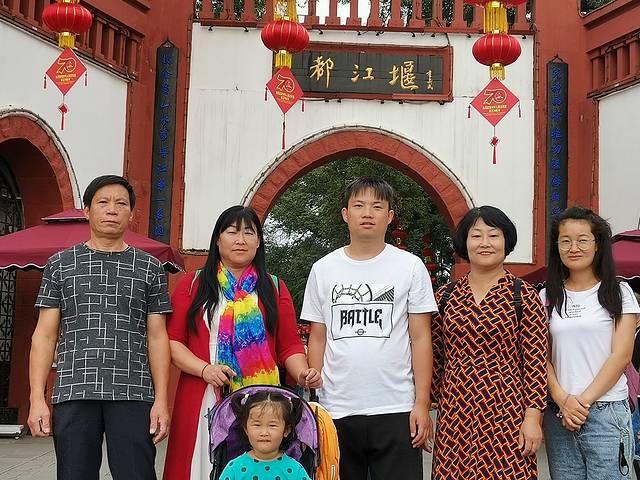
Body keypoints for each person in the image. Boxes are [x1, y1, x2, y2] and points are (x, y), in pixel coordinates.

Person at [27, 175, 172, 480]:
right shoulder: (60, 264)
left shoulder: (150, 267)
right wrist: (36, 398)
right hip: (74, 389)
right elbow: (45, 335)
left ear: (131, 213)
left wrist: (161, 399)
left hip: (133, 391)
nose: (112, 210)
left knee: (137, 475)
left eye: (121, 204)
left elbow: (157, 337)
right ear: (87, 210)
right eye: (103, 202)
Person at [163, 205, 321, 479]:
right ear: (217, 239)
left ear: (258, 242)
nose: (241, 239)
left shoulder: (273, 287)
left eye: (249, 233)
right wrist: (205, 369)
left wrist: (303, 373)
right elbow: (173, 343)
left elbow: (289, 346)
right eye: (232, 231)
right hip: (202, 393)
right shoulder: (193, 285)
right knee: (198, 466)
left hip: (260, 402)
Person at [302, 177, 436, 480]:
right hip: (337, 407)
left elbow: (420, 338)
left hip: (396, 406)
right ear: (345, 214)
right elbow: (318, 336)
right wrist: (316, 399)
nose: (367, 213)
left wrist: (421, 403)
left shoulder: (410, 266)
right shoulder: (323, 269)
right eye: (359, 205)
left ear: (389, 216)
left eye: (377, 206)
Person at [430, 206, 547, 480]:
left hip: (507, 411)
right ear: (465, 242)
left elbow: (536, 361)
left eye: (493, 235)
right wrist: (425, 405)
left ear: (506, 241)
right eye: (476, 235)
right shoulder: (445, 296)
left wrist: (533, 417)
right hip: (455, 411)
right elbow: (434, 357)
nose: (485, 243)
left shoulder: (523, 295)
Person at [542, 206, 640, 479]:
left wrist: (581, 402)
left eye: (583, 240)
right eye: (565, 241)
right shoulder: (547, 296)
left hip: (606, 411)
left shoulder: (618, 292)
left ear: (597, 245)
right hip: (560, 413)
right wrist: (562, 400)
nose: (574, 248)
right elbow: (542, 357)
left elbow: (621, 356)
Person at [219, 391, 311, 480]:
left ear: (286, 430)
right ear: (246, 429)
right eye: (257, 425)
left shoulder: (295, 470)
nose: (264, 433)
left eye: (272, 425)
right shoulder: (234, 469)